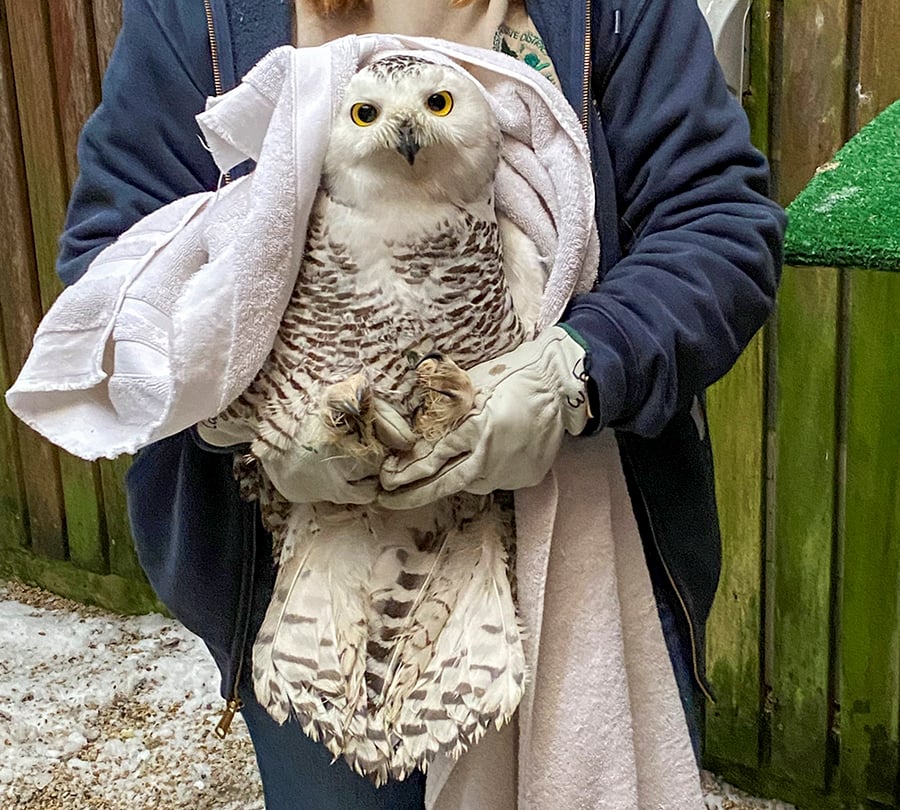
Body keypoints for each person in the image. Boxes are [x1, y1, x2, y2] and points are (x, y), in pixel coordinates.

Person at [57, 0, 785, 807]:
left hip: (583, 548)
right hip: (312, 577)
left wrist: (578, 367)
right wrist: (259, 424)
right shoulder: (198, 16)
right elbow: (122, 276)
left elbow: (719, 223)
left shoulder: (611, 11)